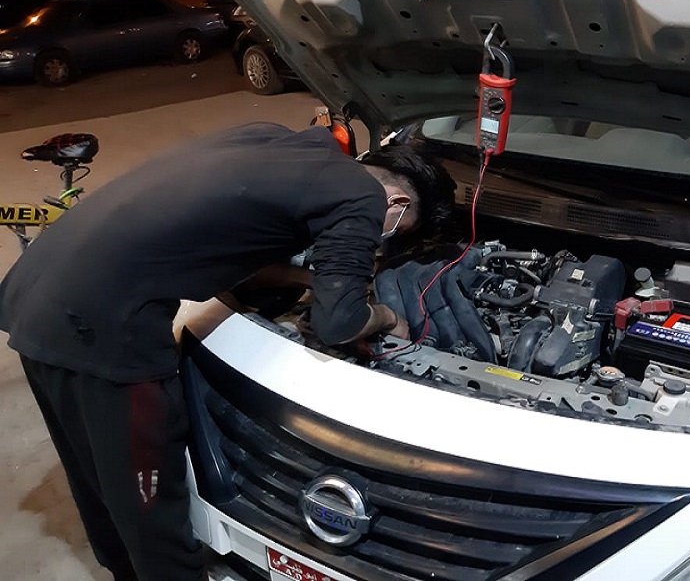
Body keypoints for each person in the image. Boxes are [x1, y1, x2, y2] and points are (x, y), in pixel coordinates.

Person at [0, 121, 455, 581]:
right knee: (150, 502)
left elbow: (237, 250)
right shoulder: (363, 196)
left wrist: (313, 281)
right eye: (394, 232)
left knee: (95, 475)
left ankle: (121, 568)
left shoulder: (272, 140)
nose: (383, 238)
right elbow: (338, 324)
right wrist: (386, 317)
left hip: (36, 295)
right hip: (101, 327)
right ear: (396, 203)